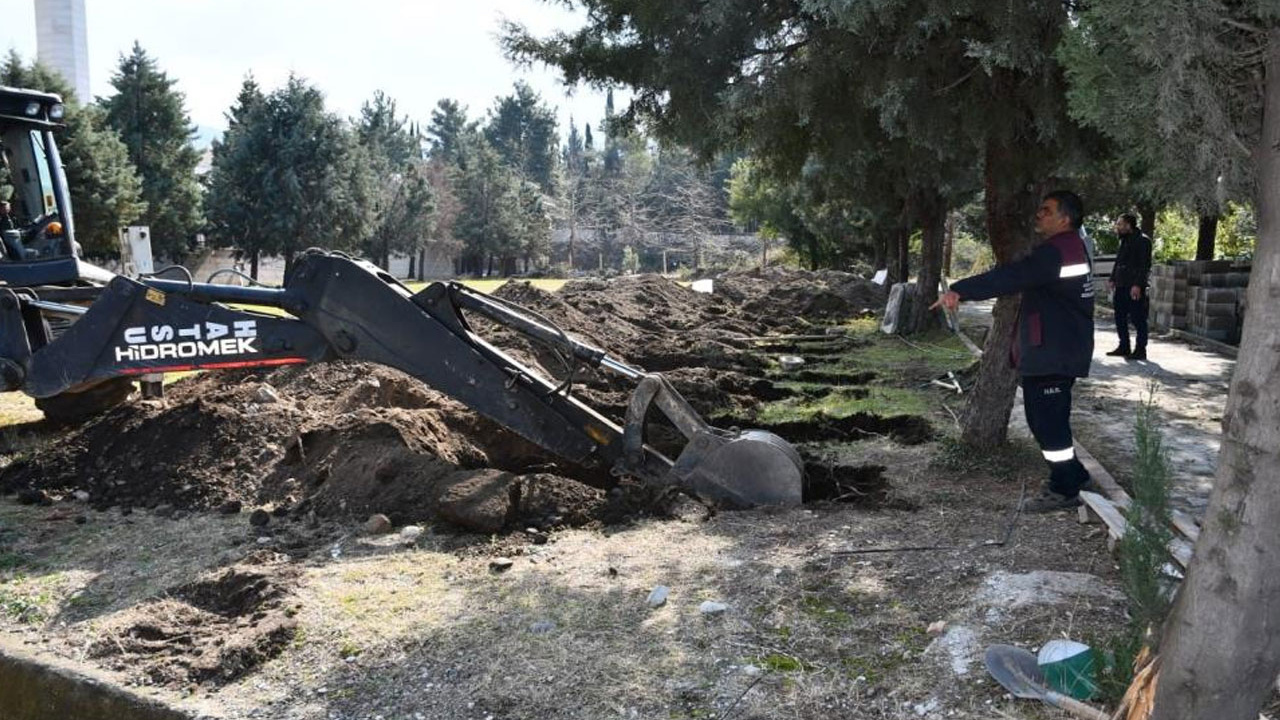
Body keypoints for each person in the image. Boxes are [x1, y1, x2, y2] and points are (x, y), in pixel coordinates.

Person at [931, 190, 1096, 512]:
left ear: (1065, 218)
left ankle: (1064, 489)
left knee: (1048, 424)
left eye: (1046, 211)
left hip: (1054, 351)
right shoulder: (1068, 248)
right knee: (1046, 419)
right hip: (1057, 348)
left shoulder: (1056, 252)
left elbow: (1012, 276)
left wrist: (960, 290)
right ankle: (1075, 476)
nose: (1039, 215)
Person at [1106, 213, 1152, 360]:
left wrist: (1138, 285)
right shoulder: (1124, 241)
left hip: (1133, 286)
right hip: (1121, 285)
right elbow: (1119, 261)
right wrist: (1113, 279)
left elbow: (1144, 266)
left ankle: (1140, 349)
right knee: (1119, 317)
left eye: (1120, 224)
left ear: (1128, 225)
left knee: (1138, 318)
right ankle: (1124, 346)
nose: (1117, 227)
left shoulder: (1142, 241)